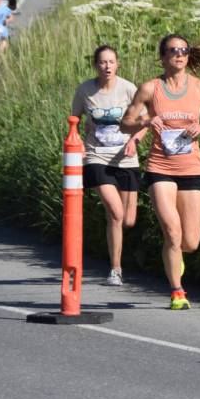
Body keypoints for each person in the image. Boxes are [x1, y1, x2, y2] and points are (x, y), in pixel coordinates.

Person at [120, 35, 200, 310]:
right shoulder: (150, 89)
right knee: (173, 233)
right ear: (162, 57)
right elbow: (125, 123)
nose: (179, 54)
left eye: (183, 50)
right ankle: (177, 291)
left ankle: (176, 256)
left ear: (188, 56)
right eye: (172, 51)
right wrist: (146, 120)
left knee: (190, 241)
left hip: (191, 168)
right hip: (159, 167)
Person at [72, 46, 141, 286]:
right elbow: (73, 121)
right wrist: (77, 141)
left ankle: (117, 255)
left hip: (126, 158)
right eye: (102, 62)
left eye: (111, 62)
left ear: (118, 64)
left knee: (128, 220)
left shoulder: (129, 88)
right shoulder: (85, 90)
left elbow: (144, 120)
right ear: (95, 65)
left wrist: (135, 139)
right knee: (115, 212)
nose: (107, 66)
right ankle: (115, 269)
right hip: (96, 156)